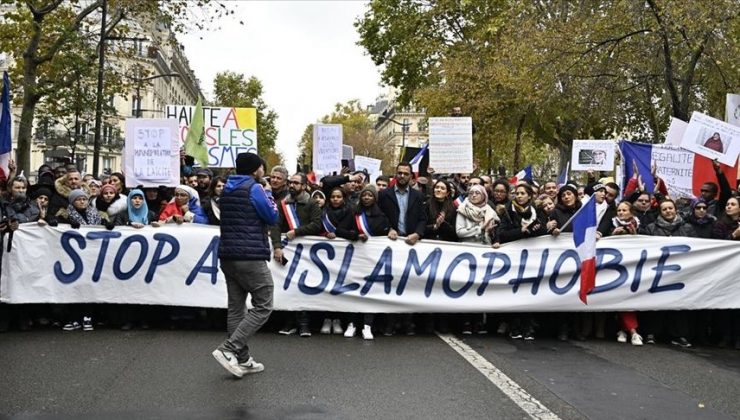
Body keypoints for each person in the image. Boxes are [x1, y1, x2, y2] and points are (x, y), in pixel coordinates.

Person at [212, 152, 278, 378]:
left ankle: (242, 359)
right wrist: (268, 193)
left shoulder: (227, 187)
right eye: (261, 166)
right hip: (249, 255)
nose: (263, 171)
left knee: (236, 307)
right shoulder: (255, 188)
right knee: (264, 304)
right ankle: (228, 349)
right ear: (255, 168)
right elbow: (271, 216)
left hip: (228, 254)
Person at [377, 161, 427, 336]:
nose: (402, 176)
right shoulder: (384, 195)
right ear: (395, 174)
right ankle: (390, 322)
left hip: (410, 244)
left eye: (406, 174)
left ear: (411, 176)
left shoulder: (418, 196)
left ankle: (407, 322)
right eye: (400, 173)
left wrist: (418, 234)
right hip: (392, 243)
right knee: (391, 282)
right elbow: (380, 215)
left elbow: (423, 218)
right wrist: (388, 229)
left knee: (409, 283)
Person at [270, 172, 322, 337]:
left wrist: (298, 231)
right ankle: (290, 321)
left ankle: (305, 323)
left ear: (304, 186)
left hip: (306, 253)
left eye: (296, 183)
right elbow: (276, 226)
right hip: (288, 250)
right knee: (288, 286)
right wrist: (277, 246)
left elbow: (316, 224)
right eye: (291, 182)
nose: (292, 185)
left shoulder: (312, 203)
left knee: (305, 286)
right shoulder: (283, 204)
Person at [342, 184, 390, 340]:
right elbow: (340, 230)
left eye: (370, 195)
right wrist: (354, 235)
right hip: (355, 258)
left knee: (370, 292)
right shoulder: (354, 213)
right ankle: (352, 324)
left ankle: (367, 325)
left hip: (373, 260)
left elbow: (386, 230)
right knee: (353, 290)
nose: (366, 198)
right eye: (364, 195)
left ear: (374, 198)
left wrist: (391, 231)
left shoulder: (382, 216)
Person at [608, 201, 643, 346]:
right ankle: (634, 333)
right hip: (616, 268)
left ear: (631, 212)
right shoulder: (611, 225)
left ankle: (623, 330)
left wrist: (633, 234)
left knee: (629, 300)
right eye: (619, 210)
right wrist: (612, 235)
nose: (621, 213)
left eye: (624, 210)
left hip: (635, 267)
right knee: (621, 299)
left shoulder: (639, 225)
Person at [712, 197, 740, 349]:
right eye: (728, 204)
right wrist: (734, 236)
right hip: (727, 271)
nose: (729, 207)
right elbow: (718, 246)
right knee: (726, 306)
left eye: (733, 204)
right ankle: (724, 336)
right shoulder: (720, 224)